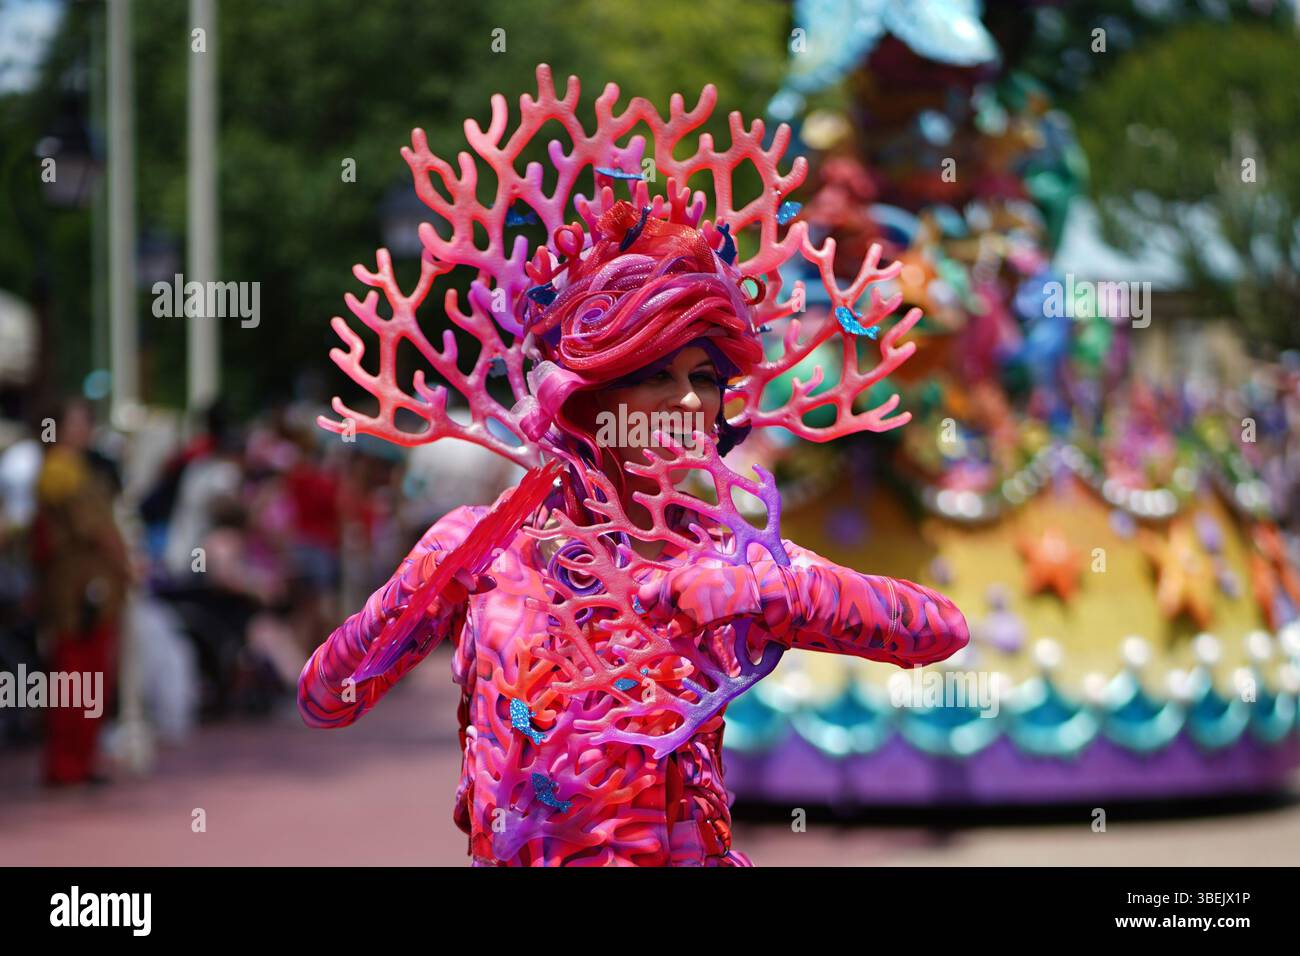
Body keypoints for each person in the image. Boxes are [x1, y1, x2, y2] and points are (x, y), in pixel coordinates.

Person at [298, 66, 969, 865]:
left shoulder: (729, 555)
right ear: (587, 395)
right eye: (653, 375)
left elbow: (936, 630)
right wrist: (422, 587)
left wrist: (773, 587)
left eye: (704, 380)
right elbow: (326, 701)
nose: (688, 404)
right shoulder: (489, 551)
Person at [30, 396, 130, 785]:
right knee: (76, 677)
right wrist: (123, 563)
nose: (83, 429)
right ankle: (67, 764)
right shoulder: (60, 470)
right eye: (75, 422)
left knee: (88, 676)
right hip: (77, 592)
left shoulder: (76, 468)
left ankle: (81, 760)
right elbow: (95, 529)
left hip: (88, 589)